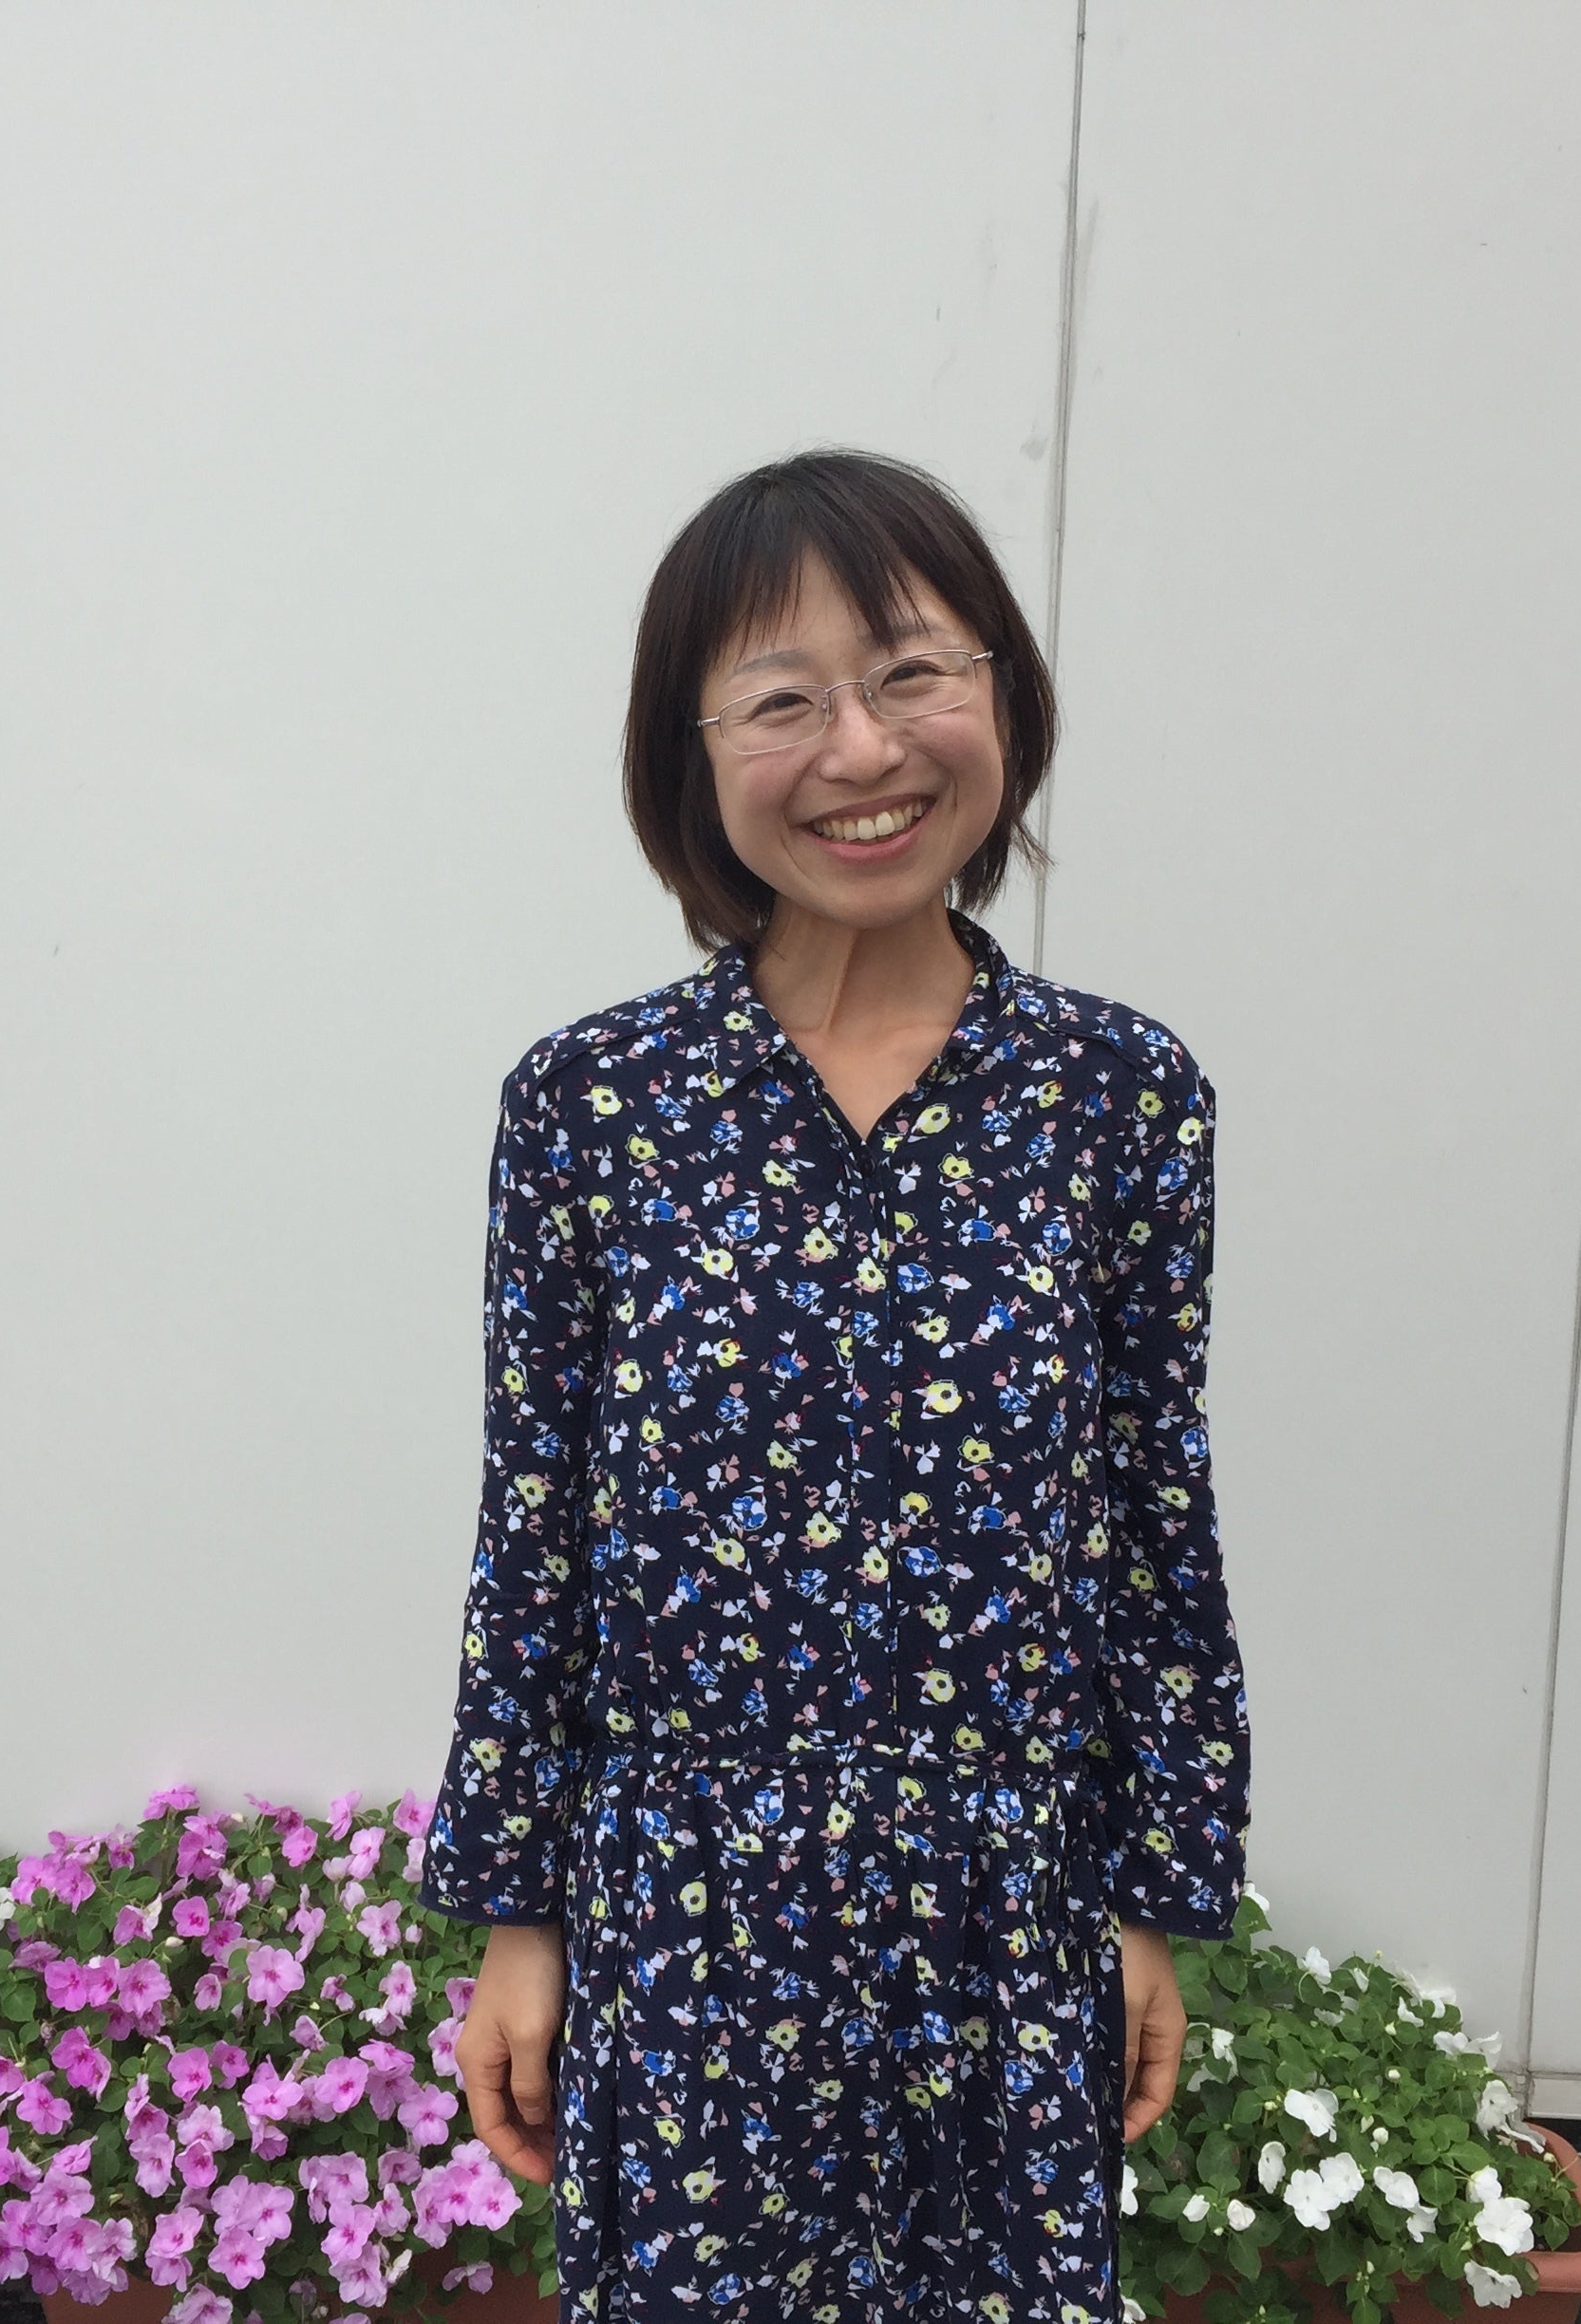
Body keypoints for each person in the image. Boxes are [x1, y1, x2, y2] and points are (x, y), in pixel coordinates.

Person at [418, 449, 1251, 2321]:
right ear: (693, 756)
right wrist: (521, 1923)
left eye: (913, 674)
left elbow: (1147, 1519)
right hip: (687, 1934)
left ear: (1003, 699)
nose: (863, 750)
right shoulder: (595, 1106)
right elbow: (534, 1531)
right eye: (782, 701)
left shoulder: (1120, 1100)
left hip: (1003, 1922)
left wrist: (1147, 1899)